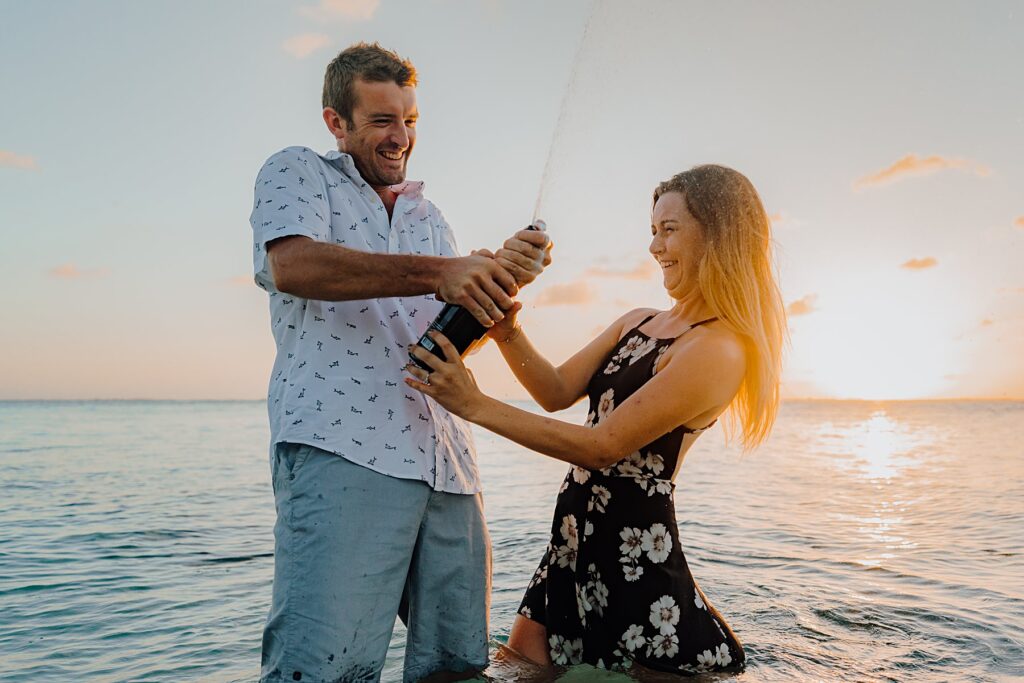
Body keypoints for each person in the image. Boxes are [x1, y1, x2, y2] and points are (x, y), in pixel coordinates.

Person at [248, 43, 552, 683]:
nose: (401, 137)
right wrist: (444, 272)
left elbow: (438, 343)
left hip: (450, 469)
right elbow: (292, 265)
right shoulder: (298, 172)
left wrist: (492, 286)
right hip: (343, 451)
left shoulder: (427, 215)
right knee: (326, 670)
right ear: (337, 122)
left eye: (410, 120)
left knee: (456, 669)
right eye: (383, 120)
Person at [406, 164, 785, 675]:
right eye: (653, 231)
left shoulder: (718, 348)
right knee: (515, 668)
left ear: (720, 236)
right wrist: (507, 333)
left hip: (637, 563)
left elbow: (602, 447)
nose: (655, 247)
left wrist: (472, 403)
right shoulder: (639, 321)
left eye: (669, 230)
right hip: (571, 540)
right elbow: (556, 391)